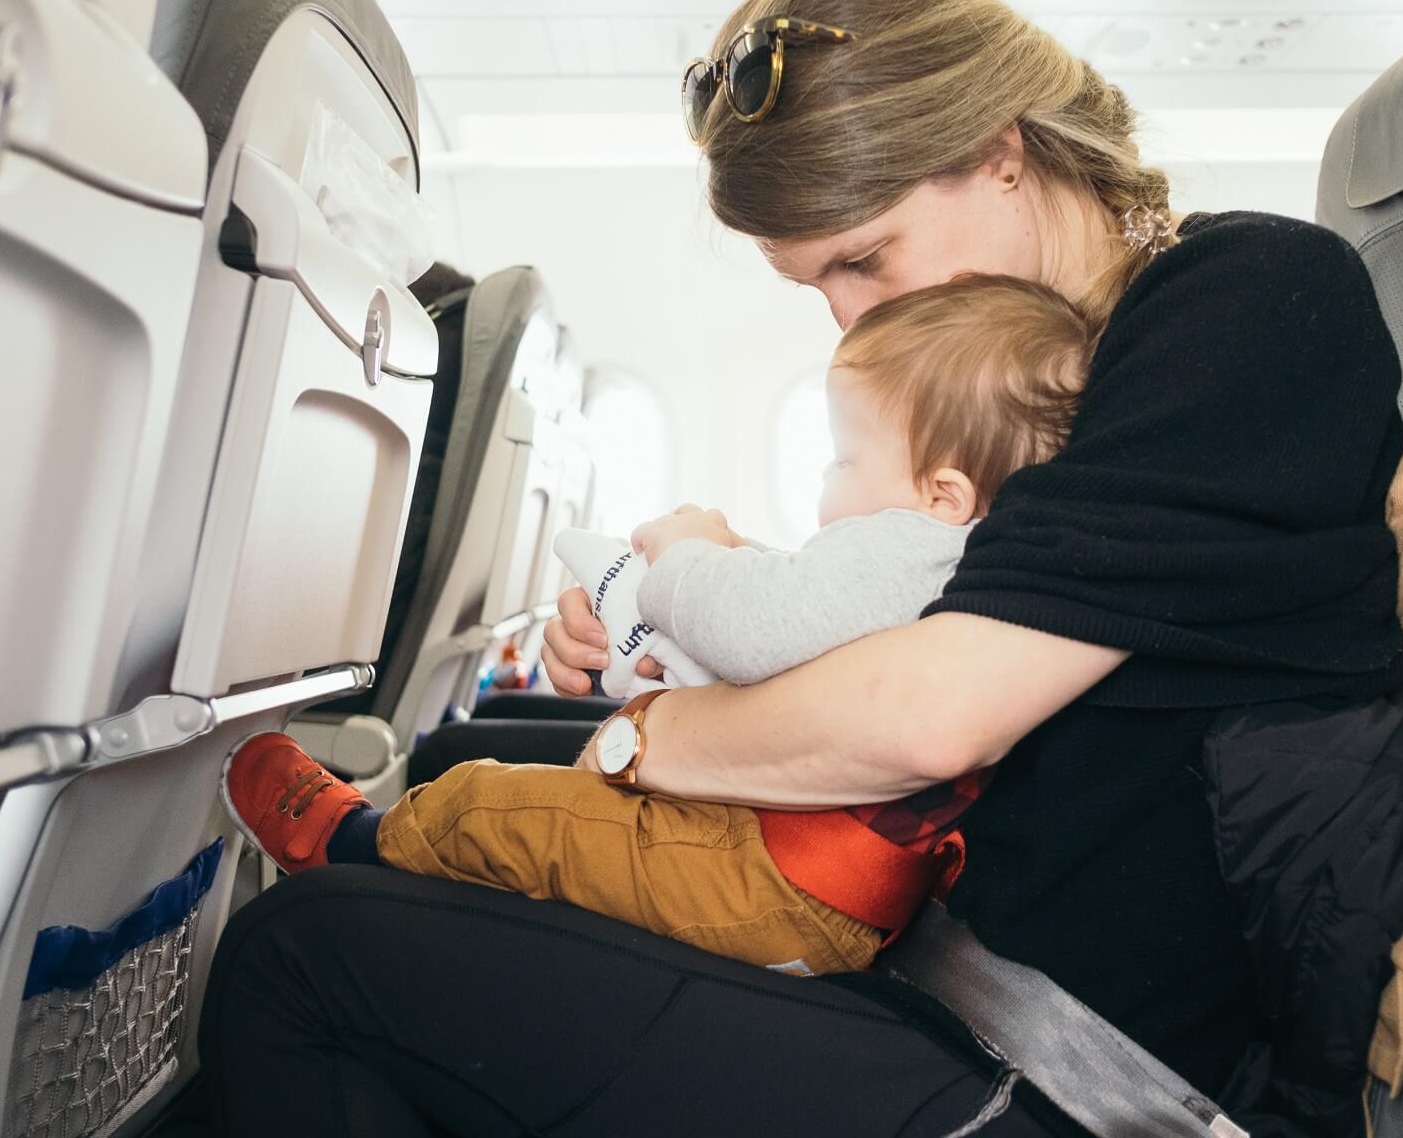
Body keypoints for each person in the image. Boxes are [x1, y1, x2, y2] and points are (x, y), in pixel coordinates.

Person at [199, 0, 1403, 1138]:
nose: (850, 315)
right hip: (917, 966)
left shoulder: (1248, 304)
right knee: (453, 802)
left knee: (297, 954)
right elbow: (920, 606)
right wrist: (671, 613)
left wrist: (650, 737)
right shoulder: (1042, 370)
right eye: (817, 286)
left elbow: (929, 716)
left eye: (864, 257)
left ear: (1001, 154)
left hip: (1056, 1074)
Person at [218, 275, 1093, 977]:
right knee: (559, 819)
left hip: (776, 877)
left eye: (844, 459)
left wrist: (685, 553)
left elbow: (757, 627)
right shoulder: (965, 557)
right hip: (819, 886)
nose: (830, 484)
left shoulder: (911, 544)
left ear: (943, 492)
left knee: (495, 802)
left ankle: (351, 847)